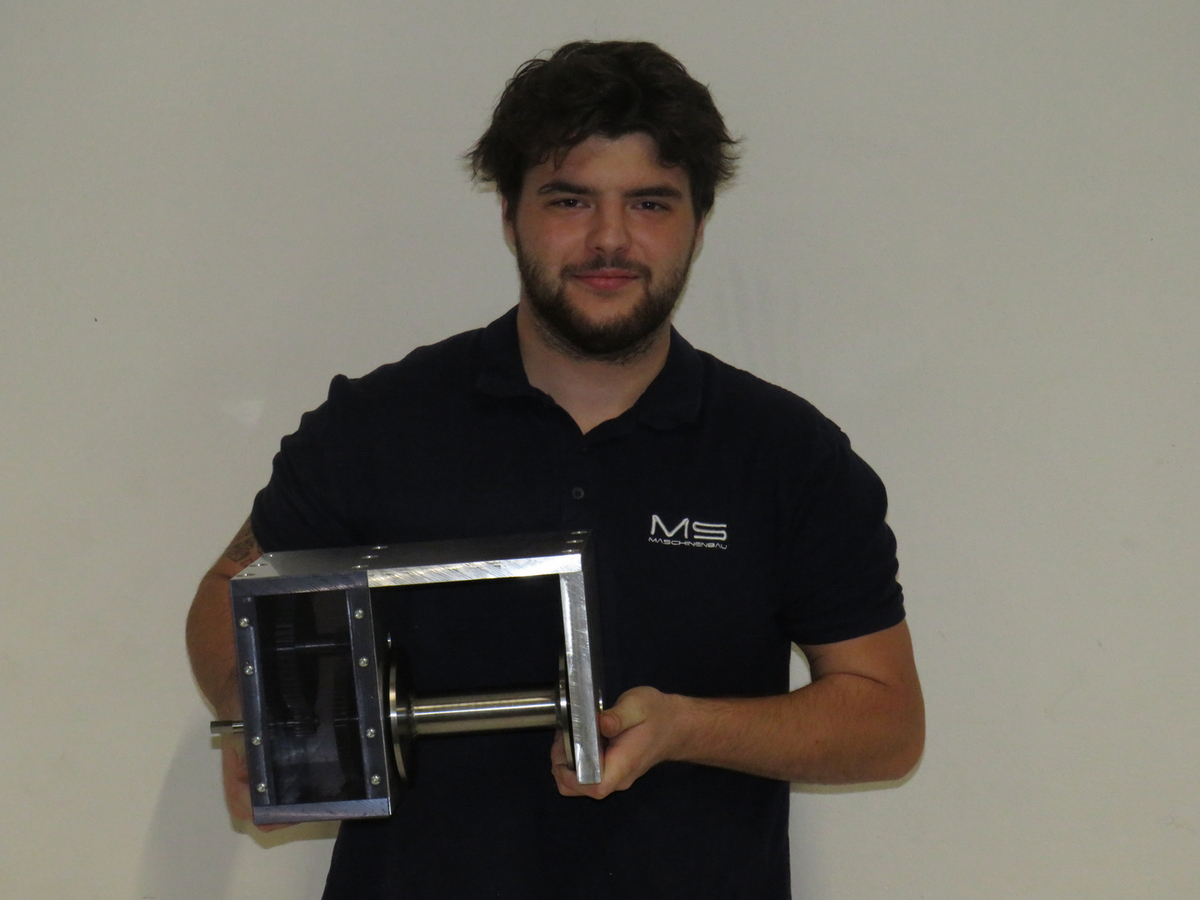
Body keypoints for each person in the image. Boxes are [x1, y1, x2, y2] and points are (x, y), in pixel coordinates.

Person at [186, 40, 924, 899]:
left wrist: (687, 728)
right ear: (510, 214)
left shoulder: (788, 455)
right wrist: (265, 711)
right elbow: (230, 592)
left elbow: (886, 720)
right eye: (570, 200)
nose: (609, 239)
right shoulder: (377, 425)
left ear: (698, 222)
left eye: (650, 203)